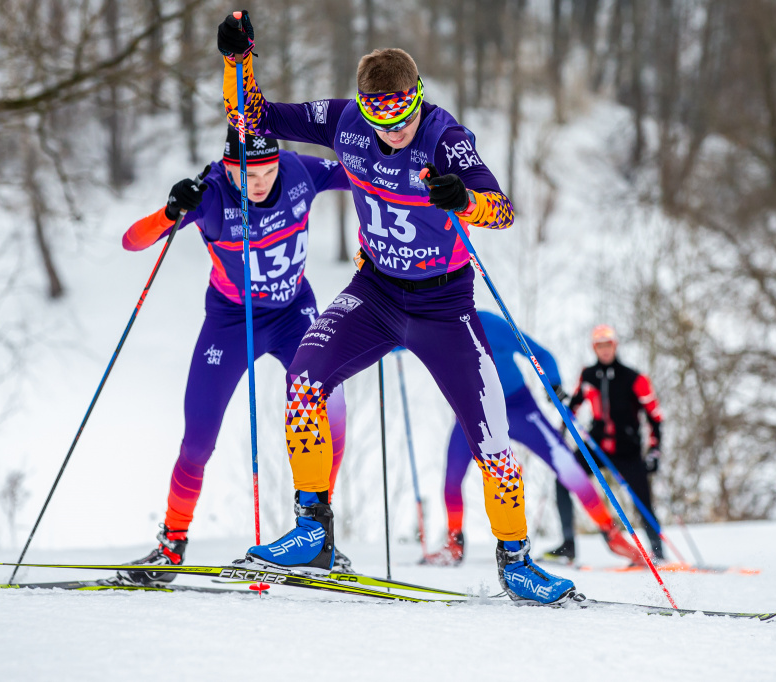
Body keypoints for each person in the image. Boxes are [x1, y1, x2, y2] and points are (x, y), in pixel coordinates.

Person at [216, 10, 575, 604]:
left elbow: (503, 209)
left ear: (418, 101)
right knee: (305, 375)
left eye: (402, 113)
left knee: (492, 436)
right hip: (377, 292)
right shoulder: (344, 121)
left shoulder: (445, 136)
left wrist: (466, 200)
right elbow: (251, 117)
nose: (393, 128)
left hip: (444, 304)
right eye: (379, 114)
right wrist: (238, 59)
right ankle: (314, 529)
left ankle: (516, 561)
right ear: (364, 105)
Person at [117, 127, 352, 584]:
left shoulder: (300, 170)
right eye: (248, 174)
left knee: (333, 405)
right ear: (228, 168)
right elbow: (133, 240)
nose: (259, 182)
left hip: (292, 312)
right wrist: (171, 211)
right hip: (231, 322)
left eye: (267, 170)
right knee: (198, 439)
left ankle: (319, 535)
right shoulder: (211, 196)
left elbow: (361, 176)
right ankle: (171, 544)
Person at [422, 311, 641, 566]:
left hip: (519, 408)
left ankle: (612, 535)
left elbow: (541, 354)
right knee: (452, 476)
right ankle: (454, 543)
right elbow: (395, 337)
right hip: (474, 412)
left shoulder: (490, 324)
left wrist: (554, 383)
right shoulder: (430, 325)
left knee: (566, 464)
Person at [547, 324, 665, 562]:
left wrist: (654, 451)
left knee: (643, 501)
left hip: (627, 449)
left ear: (615, 346)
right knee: (563, 480)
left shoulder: (634, 377)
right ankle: (568, 546)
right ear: (595, 348)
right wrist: (560, 407)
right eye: (600, 346)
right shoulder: (588, 374)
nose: (604, 350)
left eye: (608, 345)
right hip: (597, 447)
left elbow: (655, 418)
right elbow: (574, 406)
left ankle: (658, 553)